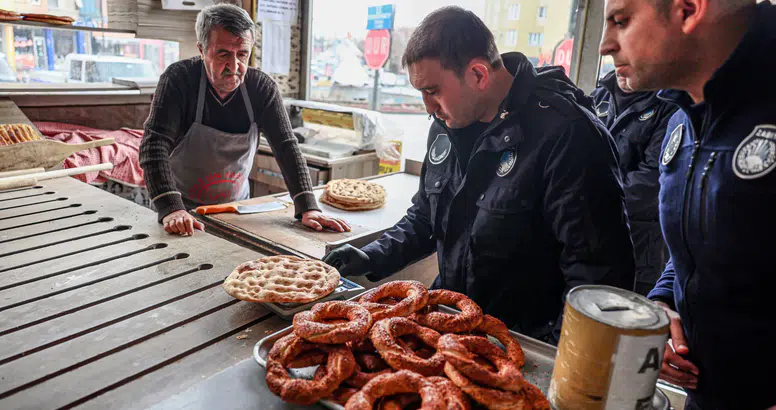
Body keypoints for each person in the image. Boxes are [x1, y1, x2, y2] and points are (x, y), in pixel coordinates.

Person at [324, 6, 635, 345]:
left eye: (432, 91)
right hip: (451, 321)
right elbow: (427, 216)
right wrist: (373, 255)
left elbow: (597, 276)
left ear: (477, 74)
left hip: (522, 340)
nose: (427, 107)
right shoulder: (447, 125)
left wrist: (555, 358)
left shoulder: (567, 135)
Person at [600, 0, 776, 408]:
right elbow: (701, 243)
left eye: (621, 21)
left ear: (688, 9)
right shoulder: (683, 113)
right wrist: (663, 304)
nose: (605, 44)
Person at [140, 4, 350, 235]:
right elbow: (154, 145)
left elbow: (286, 147)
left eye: (242, 54)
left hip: (236, 210)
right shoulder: (179, 79)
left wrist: (308, 207)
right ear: (202, 49)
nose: (234, 66)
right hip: (181, 211)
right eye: (223, 54)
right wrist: (170, 207)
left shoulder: (261, 88)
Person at [591, 71, 678, 296]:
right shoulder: (599, 95)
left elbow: (652, 181)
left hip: (640, 247)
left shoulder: (669, 107)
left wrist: (589, 196)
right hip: (592, 239)